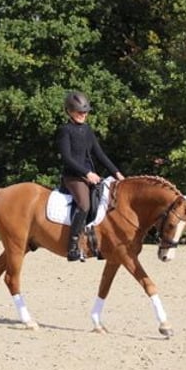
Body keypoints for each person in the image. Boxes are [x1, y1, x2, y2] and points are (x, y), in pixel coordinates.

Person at [55, 91, 125, 262]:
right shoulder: (65, 130)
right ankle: (72, 246)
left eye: (85, 112)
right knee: (85, 205)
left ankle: (95, 242)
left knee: (104, 202)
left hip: (91, 176)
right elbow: (67, 158)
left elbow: (100, 154)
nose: (83, 115)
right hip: (73, 177)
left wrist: (117, 174)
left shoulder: (87, 130)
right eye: (80, 112)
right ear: (69, 112)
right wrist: (86, 173)